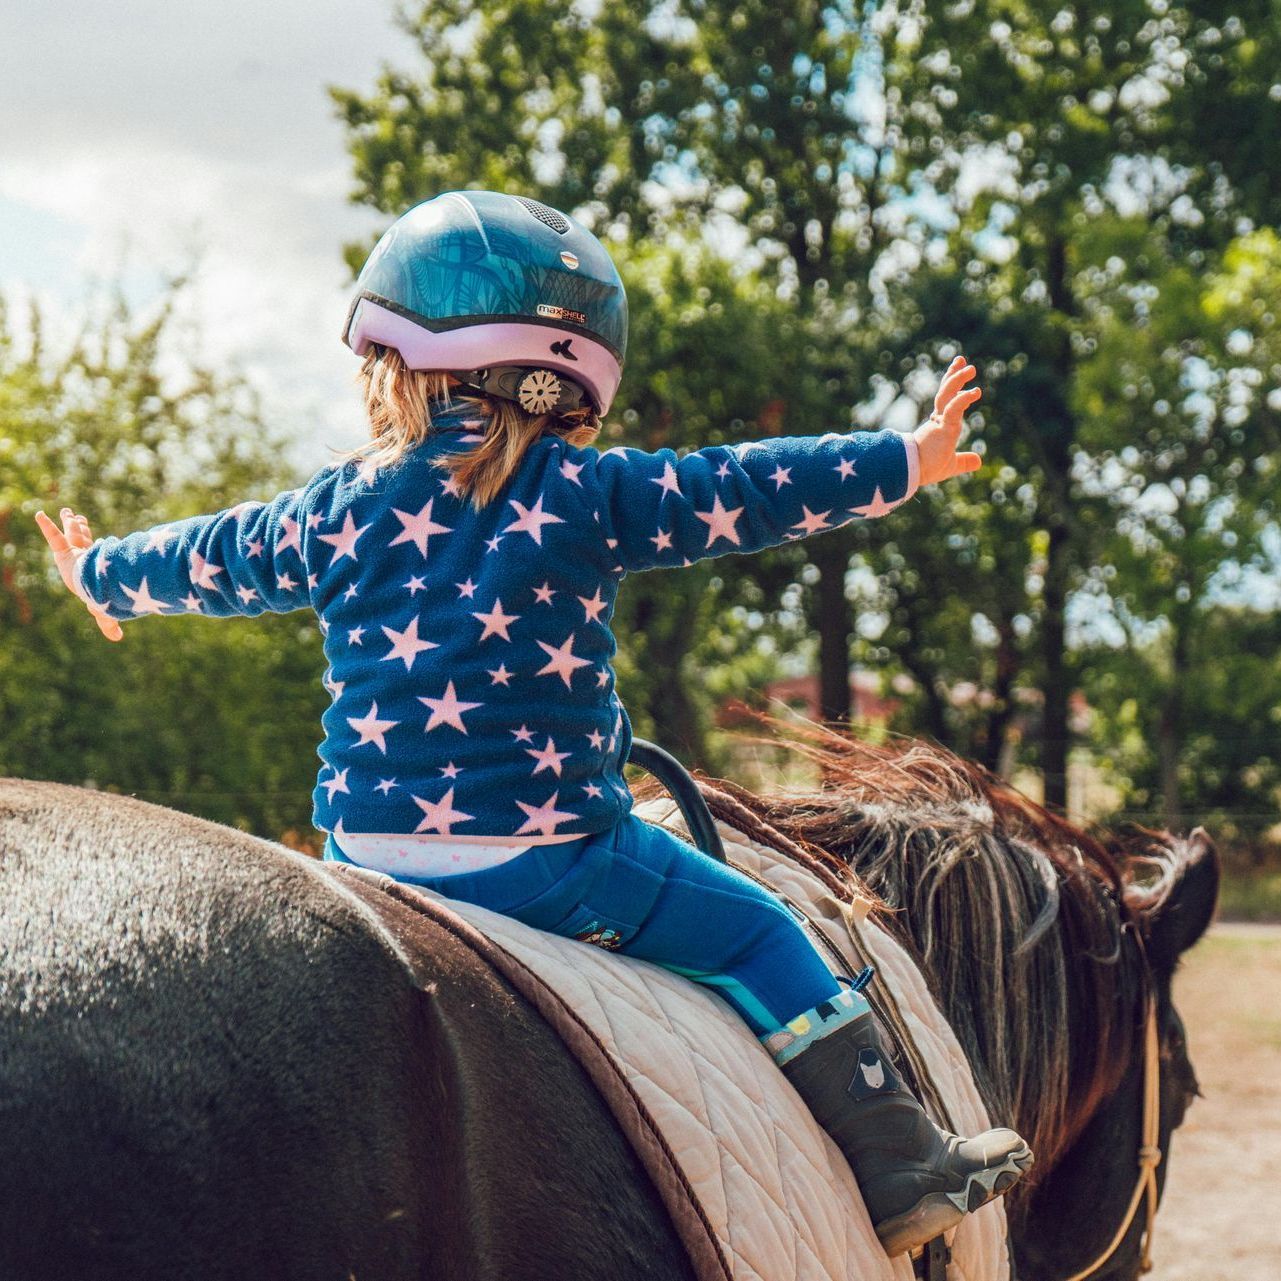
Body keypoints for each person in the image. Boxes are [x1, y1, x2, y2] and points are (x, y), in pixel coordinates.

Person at [37, 190, 1031, 1255]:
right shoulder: (587, 493)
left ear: (392, 362)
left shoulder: (333, 504)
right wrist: (907, 460)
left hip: (366, 860)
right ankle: (900, 1164)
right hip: (551, 862)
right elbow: (745, 485)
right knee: (759, 932)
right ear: (573, 380)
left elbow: (217, 556)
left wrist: (101, 574)